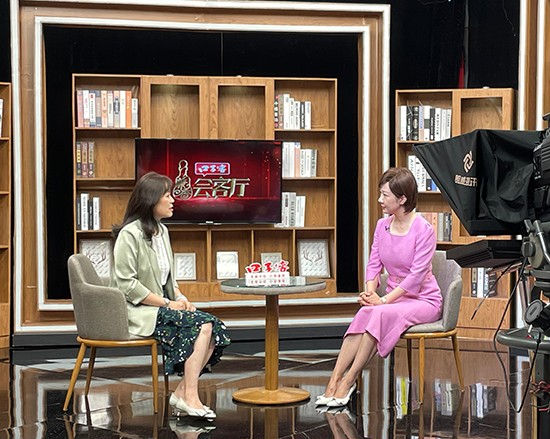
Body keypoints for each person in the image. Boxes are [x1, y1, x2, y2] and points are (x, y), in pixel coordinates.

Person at [316, 167, 442, 408]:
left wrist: (383, 300)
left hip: (423, 300)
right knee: (366, 311)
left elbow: (416, 277)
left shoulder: (424, 230)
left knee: (378, 313)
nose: (379, 200)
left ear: (402, 199)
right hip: (393, 299)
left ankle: (349, 380)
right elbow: (374, 264)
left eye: (385, 195)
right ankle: (334, 381)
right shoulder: (382, 225)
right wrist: (370, 291)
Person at [111, 171, 231, 420]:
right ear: (151, 199)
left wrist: (181, 298)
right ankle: (190, 397)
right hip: (138, 312)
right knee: (203, 326)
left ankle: (183, 393)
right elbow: (127, 285)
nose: (173, 200)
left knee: (213, 327)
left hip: (162, 306)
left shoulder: (162, 232)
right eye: (167, 195)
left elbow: (168, 280)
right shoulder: (129, 234)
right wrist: (168, 303)